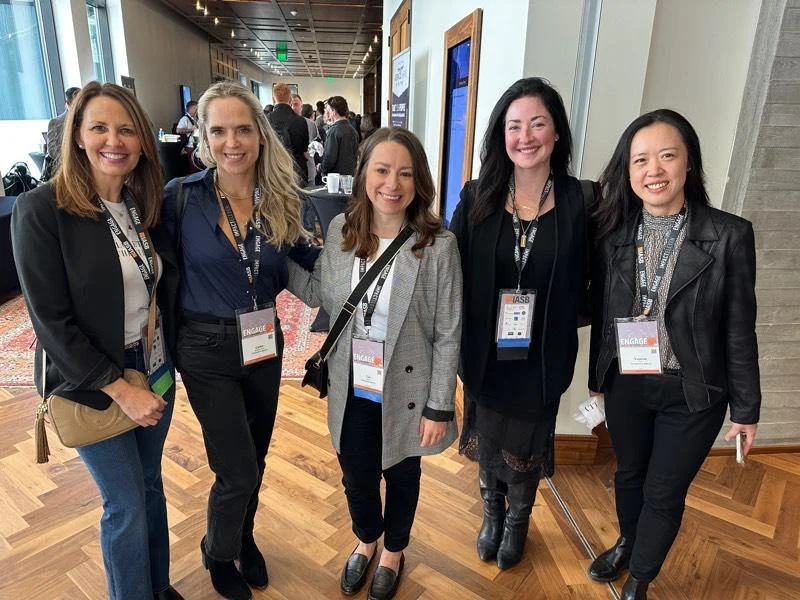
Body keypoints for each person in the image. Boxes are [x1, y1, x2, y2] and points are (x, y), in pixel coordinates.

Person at [11, 81, 182, 600]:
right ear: (78, 137)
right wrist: (119, 388)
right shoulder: (43, 210)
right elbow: (50, 321)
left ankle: (157, 587)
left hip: (153, 369)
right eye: (100, 127)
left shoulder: (141, 205)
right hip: (94, 383)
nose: (115, 139)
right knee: (125, 502)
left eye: (127, 128)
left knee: (150, 487)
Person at [586, 109, 761, 599]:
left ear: (689, 164)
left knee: (664, 491)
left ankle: (640, 578)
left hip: (694, 390)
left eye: (667, 156)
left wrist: (747, 410)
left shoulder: (729, 236)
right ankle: (627, 540)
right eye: (640, 160)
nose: (653, 170)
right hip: (628, 382)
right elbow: (606, 312)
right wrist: (598, 375)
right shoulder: (614, 235)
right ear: (628, 171)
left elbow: (739, 329)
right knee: (629, 475)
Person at [161, 81, 318, 600]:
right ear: (204, 137)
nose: (233, 142)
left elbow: (310, 262)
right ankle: (219, 550)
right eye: (219, 130)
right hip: (204, 347)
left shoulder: (281, 200)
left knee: (257, 456)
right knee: (236, 468)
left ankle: (244, 538)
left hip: (263, 341)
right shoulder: (181, 198)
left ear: (260, 134)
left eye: (243, 129)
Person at [291, 126, 462, 600]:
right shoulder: (341, 232)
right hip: (351, 383)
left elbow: (449, 332)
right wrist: (268, 262)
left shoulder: (437, 246)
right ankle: (367, 539)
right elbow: (320, 294)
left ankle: (393, 551)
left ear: (418, 181)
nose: (393, 183)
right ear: (364, 173)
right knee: (356, 475)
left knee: (403, 476)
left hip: (408, 390)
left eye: (405, 173)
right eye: (382, 170)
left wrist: (439, 407)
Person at [450, 77, 590, 570]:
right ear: (500, 135)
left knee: (527, 446)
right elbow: (449, 270)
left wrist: (556, 319)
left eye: (537, 123)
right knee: (488, 439)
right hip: (487, 353)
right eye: (514, 126)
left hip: (542, 358)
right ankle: (491, 512)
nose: (525, 136)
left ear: (556, 133)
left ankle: (517, 521)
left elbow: (597, 281)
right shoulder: (476, 198)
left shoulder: (582, 202)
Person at [267, 84, 309, 186]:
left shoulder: (266, 120)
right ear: (290, 98)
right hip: (297, 168)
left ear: (273, 98)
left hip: (274, 168)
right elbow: (305, 147)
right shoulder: (301, 121)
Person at [43, 86, 81, 179]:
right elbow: (52, 150)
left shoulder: (86, 121)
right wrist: (71, 160)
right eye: (76, 102)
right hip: (64, 170)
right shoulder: (56, 122)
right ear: (68, 103)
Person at [319, 95, 359, 177]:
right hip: (350, 176)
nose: (326, 113)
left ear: (333, 112)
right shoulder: (353, 130)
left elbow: (329, 159)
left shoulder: (333, 131)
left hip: (335, 178)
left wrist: (320, 167)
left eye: (328, 110)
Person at [292, 94, 320, 186]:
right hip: (291, 170)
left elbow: (317, 141)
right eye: (290, 104)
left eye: (296, 104)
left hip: (308, 168)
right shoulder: (285, 123)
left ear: (301, 106)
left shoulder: (310, 123)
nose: (293, 107)